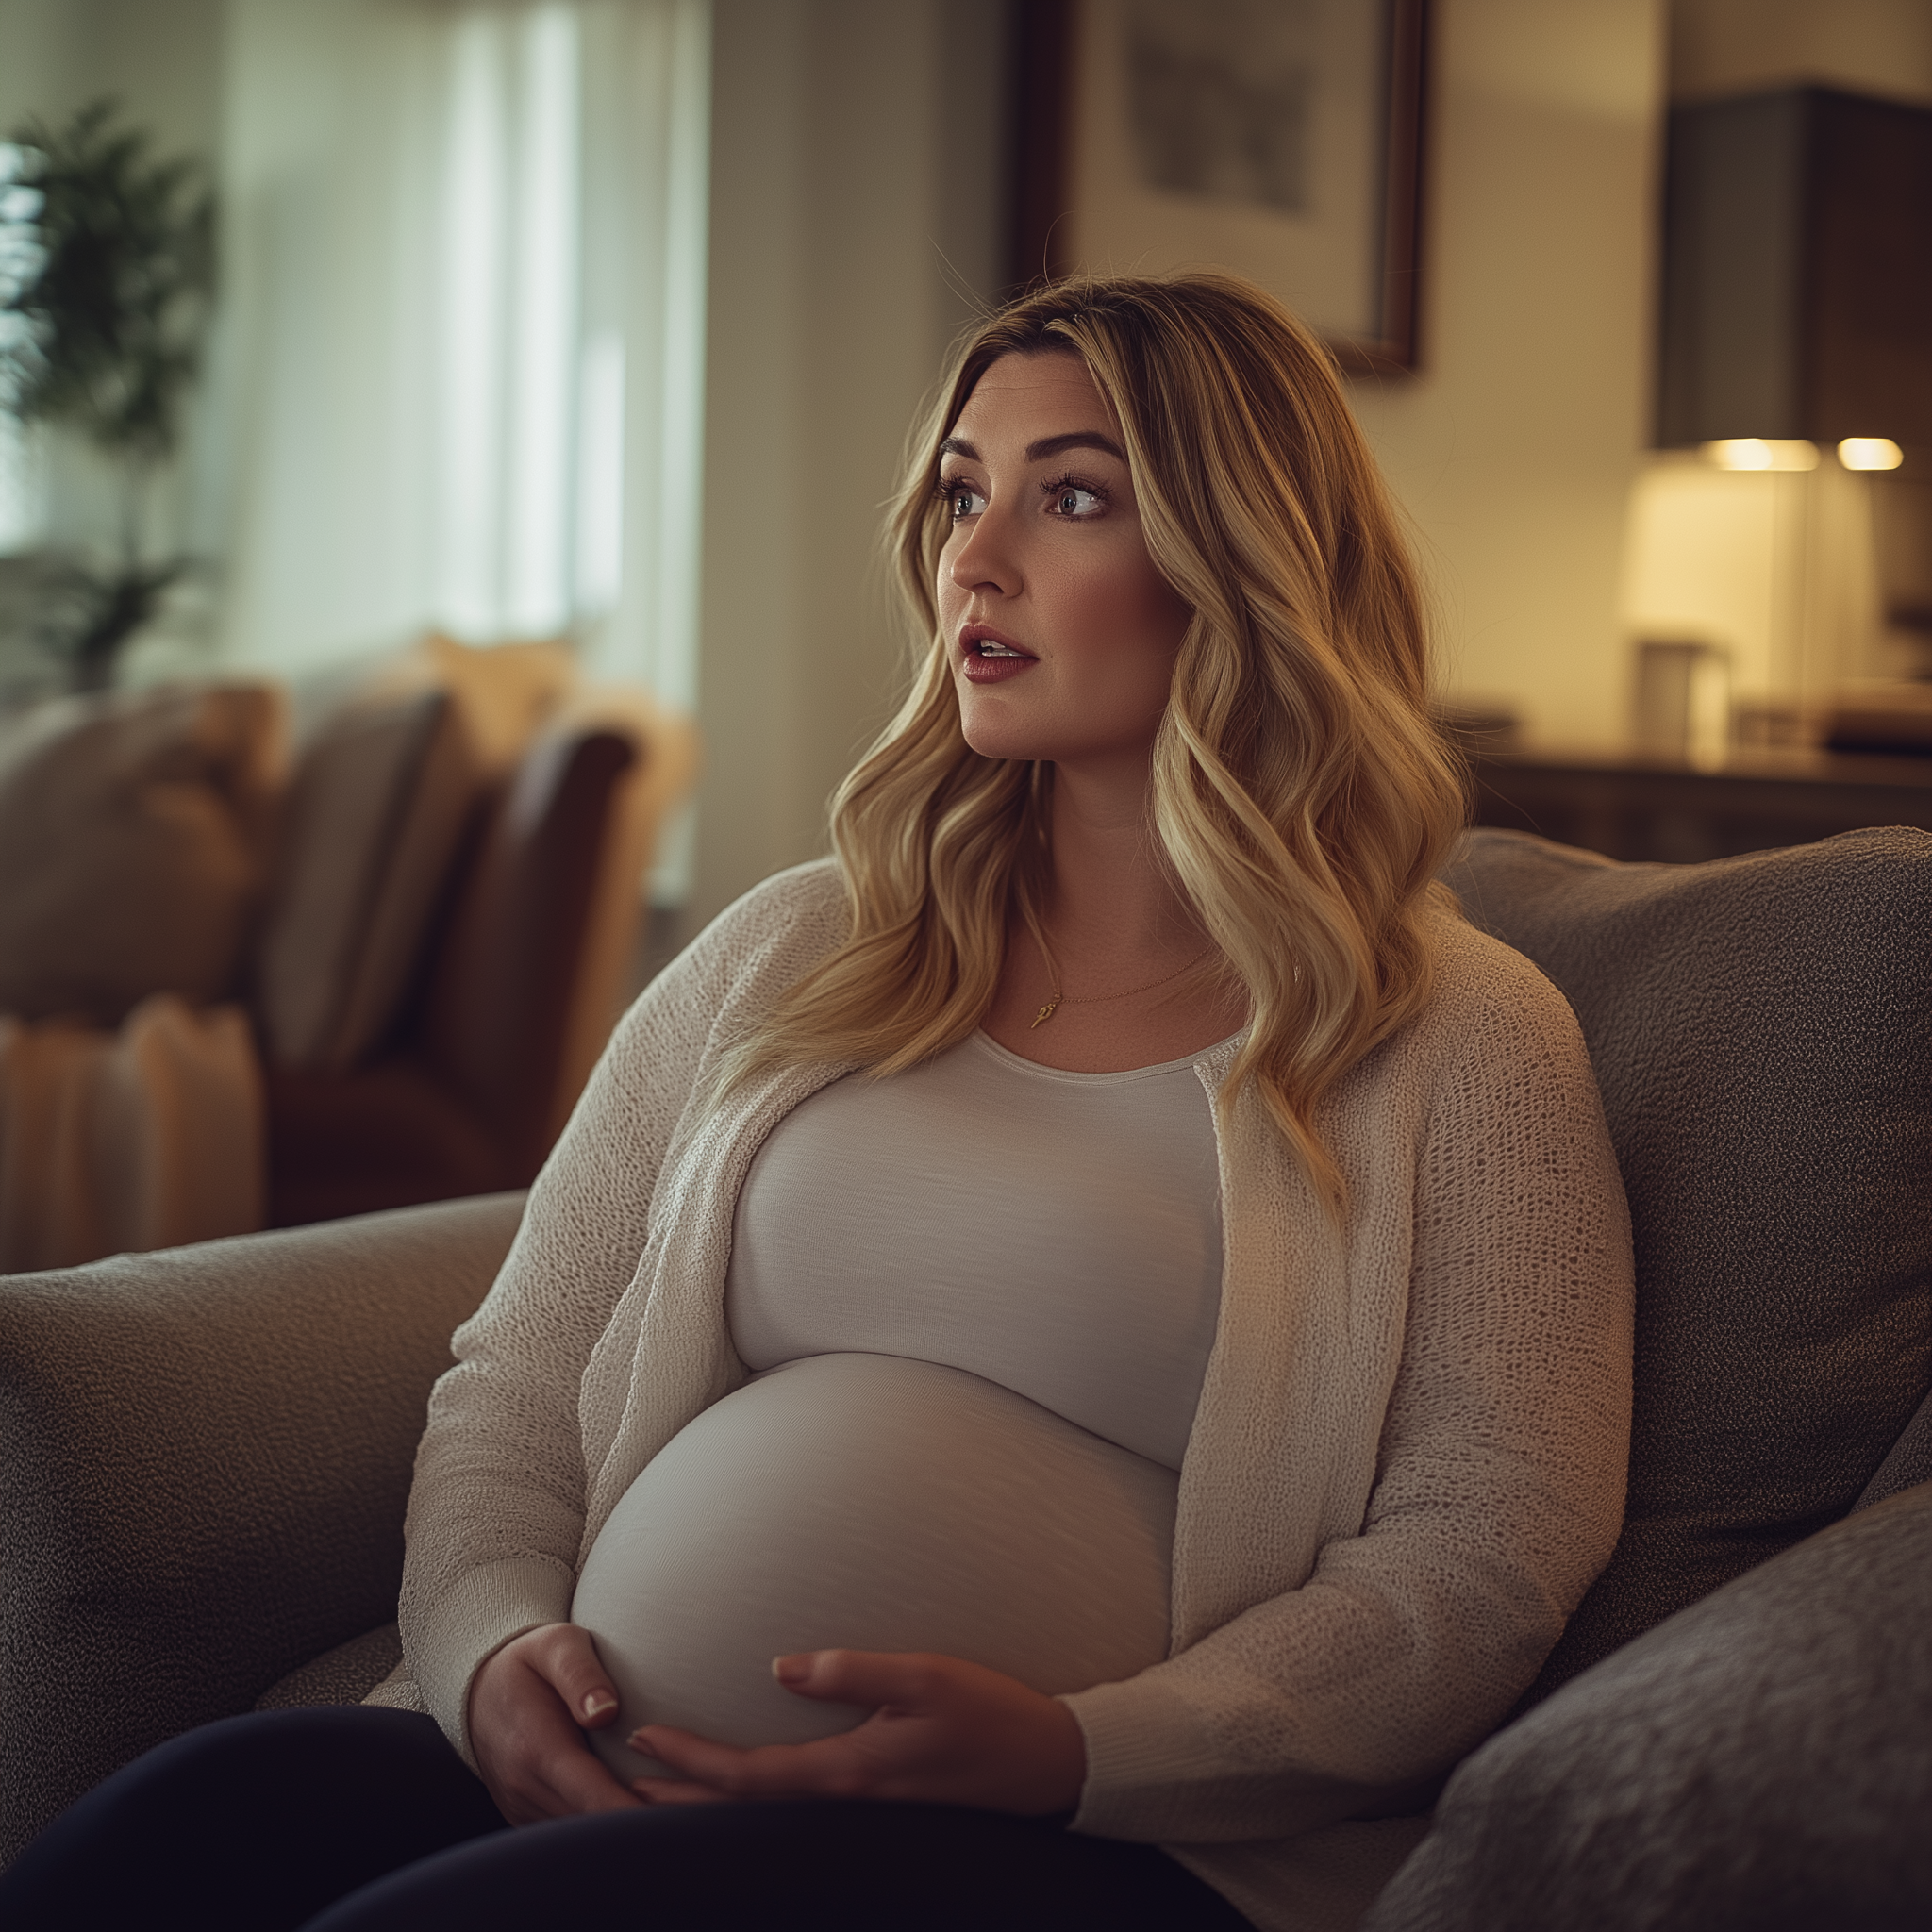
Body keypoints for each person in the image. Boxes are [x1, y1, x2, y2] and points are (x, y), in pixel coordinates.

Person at [0, 272, 1633, 1932]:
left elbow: (1484, 1554)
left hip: (1090, 1845)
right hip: (569, 1763)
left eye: (1073, 497)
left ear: (1249, 554)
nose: (973, 561)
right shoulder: (796, 944)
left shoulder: (1456, 1039)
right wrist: (489, 1645)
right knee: (172, 1828)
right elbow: (522, 1374)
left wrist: (1080, 1751)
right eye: (959, 492)